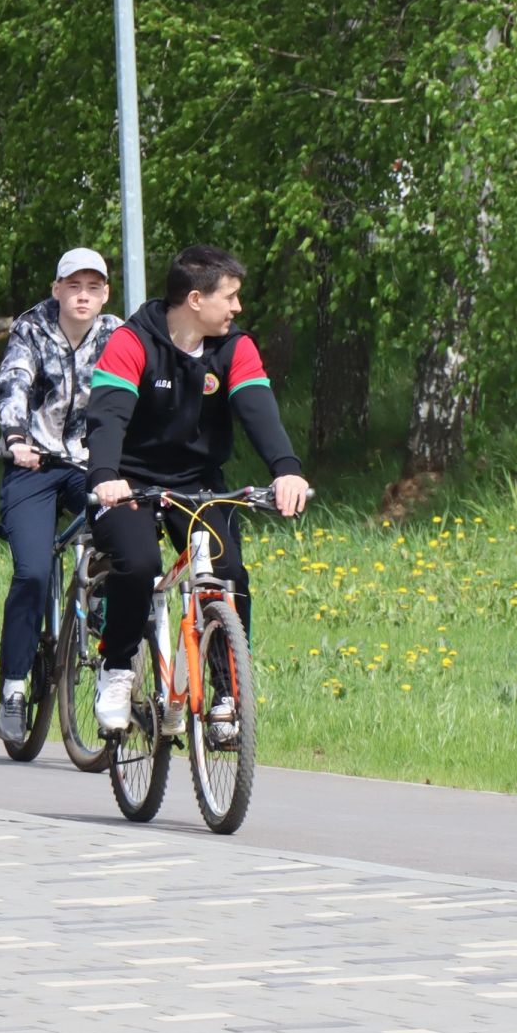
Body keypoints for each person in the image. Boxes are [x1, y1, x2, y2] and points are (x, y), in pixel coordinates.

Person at [84, 244, 310, 738]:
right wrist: (104, 475)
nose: (237, 307)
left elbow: (257, 408)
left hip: (199, 481)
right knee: (139, 563)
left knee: (227, 571)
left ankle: (228, 695)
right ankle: (117, 668)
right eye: (229, 297)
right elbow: (108, 416)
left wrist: (286, 469)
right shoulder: (131, 342)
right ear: (194, 299)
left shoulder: (234, 347)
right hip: (129, 479)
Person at [0, 247, 124, 745]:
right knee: (32, 571)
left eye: (93, 287)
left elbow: (131, 395)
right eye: (74, 285)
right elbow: (14, 382)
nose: (83, 295)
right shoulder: (31, 328)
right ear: (57, 290)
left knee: (123, 545)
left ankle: (110, 643)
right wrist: (16, 437)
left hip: (92, 464)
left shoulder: (117, 334)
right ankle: (13, 687)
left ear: (105, 293)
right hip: (34, 462)